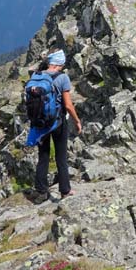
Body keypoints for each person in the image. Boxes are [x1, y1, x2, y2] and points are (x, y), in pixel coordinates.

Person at [31, 49, 82, 204]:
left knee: (43, 156)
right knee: (61, 156)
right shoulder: (63, 78)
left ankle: (41, 192)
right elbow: (68, 104)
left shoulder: (36, 76)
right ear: (60, 63)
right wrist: (77, 120)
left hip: (40, 122)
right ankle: (65, 191)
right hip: (58, 122)